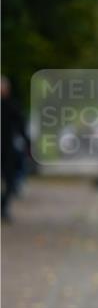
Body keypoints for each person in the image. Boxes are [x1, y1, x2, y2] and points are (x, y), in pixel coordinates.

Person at [1, 76, 28, 222]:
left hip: (7, 150)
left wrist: (27, 144)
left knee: (10, 182)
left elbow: (21, 126)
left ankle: (3, 207)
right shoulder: (12, 105)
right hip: (7, 149)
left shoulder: (12, 106)